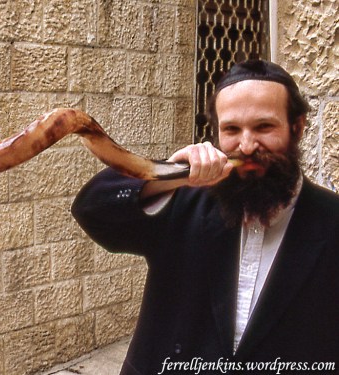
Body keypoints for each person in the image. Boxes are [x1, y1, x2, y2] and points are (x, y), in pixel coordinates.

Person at [71, 60, 339, 375]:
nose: (247, 145)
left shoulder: (331, 220)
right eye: (232, 130)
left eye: (264, 127)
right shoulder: (183, 198)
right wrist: (169, 174)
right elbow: (91, 208)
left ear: (298, 128)